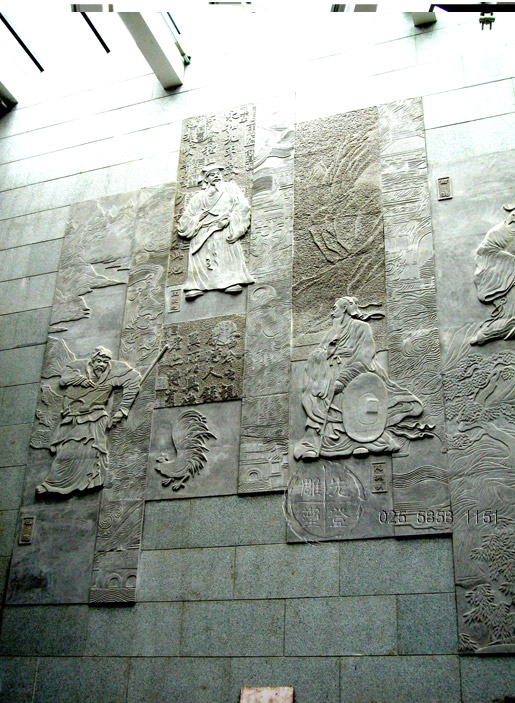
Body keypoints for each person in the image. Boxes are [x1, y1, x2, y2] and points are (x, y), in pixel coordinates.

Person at [294, 296, 431, 460]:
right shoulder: (332, 332)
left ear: (344, 309)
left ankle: (362, 442)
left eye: (335, 308)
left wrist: (343, 378)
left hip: (355, 373)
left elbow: (365, 356)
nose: (332, 313)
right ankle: (313, 443)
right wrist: (325, 353)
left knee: (355, 399)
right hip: (330, 374)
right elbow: (320, 352)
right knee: (315, 396)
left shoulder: (362, 327)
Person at [36, 346, 141, 495]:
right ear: (92, 360)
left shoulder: (116, 370)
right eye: (99, 360)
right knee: (64, 449)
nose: (101, 364)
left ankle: (53, 484)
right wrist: (80, 380)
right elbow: (64, 379)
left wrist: (123, 409)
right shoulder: (77, 366)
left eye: (105, 361)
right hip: (72, 416)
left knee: (76, 451)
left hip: (94, 417)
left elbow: (135, 379)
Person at [178, 164, 254, 300]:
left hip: (222, 228)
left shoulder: (231, 189)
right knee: (201, 259)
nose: (216, 177)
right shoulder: (199, 197)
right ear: (206, 179)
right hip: (203, 231)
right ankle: (196, 286)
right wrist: (198, 218)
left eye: (218, 174)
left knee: (226, 254)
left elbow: (242, 206)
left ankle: (231, 282)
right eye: (212, 175)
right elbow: (186, 218)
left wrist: (229, 219)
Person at [470, 204, 515, 345]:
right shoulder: (497, 233)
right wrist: (510, 261)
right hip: (502, 272)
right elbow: (485, 251)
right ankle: (491, 331)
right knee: (508, 310)